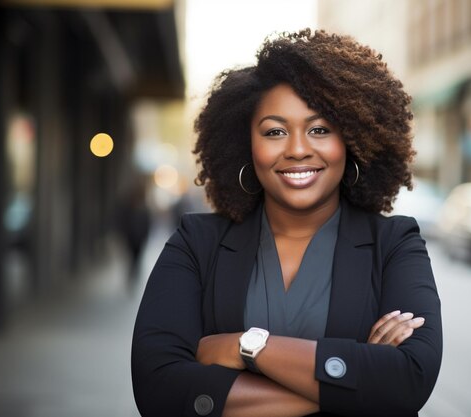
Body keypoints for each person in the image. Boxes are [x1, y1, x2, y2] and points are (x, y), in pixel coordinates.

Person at [131, 29, 442, 417]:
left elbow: (410, 379)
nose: (297, 149)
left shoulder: (395, 243)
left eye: (320, 130)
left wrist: (247, 346)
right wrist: (359, 387)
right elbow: (158, 390)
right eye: (275, 131)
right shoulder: (196, 242)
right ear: (247, 144)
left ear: (351, 141)